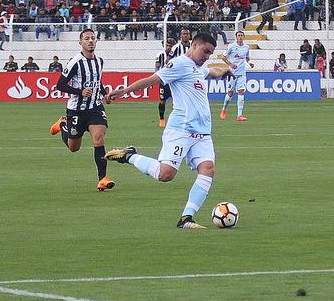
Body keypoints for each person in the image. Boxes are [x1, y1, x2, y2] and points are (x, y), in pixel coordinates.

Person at [104, 33, 233, 229]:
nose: (207, 56)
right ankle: (129, 156)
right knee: (166, 175)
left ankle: (186, 218)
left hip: (203, 132)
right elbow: (152, 80)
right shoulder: (179, 64)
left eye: (210, 53)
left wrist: (223, 72)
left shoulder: (198, 68)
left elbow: (211, 71)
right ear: (194, 44)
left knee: (208, 169)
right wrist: (123, 91)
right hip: (181, 129)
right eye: (205, 51)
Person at [48, 29, 115, 192]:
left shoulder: (99, 61)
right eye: (87, 39)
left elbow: (97, 81)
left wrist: (105, 94)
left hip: (94, 108)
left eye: (93, 38)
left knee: (98, 139)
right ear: (81, 43)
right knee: (73, 147)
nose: (90, 41)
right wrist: (80, 92)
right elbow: (60, 85)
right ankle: (63, 123)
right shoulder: (75, 62)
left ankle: (103, 179)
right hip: (76, 110)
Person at [219, 31, 254, 121]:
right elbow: (223, 57)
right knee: (230, 93)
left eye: (241, 35)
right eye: (238, 35)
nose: (240, 37)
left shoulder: (246, 47)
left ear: (244, 37)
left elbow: (247, 57)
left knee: (241, 92)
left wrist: (250, 63)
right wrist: (230, 64)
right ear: (236, 37)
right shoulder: (231, 46)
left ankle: (239, 115)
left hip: (242, 73)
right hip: (232, 73)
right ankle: (224, 109)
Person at [156, 39, 176, 127]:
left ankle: (175, 120)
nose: (168, 47)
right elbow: (157, 68)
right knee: (162, 101)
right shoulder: (160, 55)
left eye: (170, 46)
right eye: (167, 45)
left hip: (174, 82)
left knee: (176, 102)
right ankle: (162, 119)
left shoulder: (177, 55)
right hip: (164, 82)